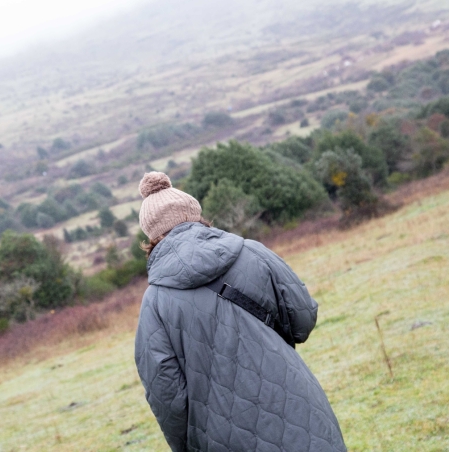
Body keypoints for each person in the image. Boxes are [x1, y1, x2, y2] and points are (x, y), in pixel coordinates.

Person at [134, 171, 346, 452]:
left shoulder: (154, 302)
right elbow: (302, 320)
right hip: (300, 410)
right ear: (196, 214)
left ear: (151, 236)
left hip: (222, 439)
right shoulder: (253, 252)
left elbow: (166, 394)